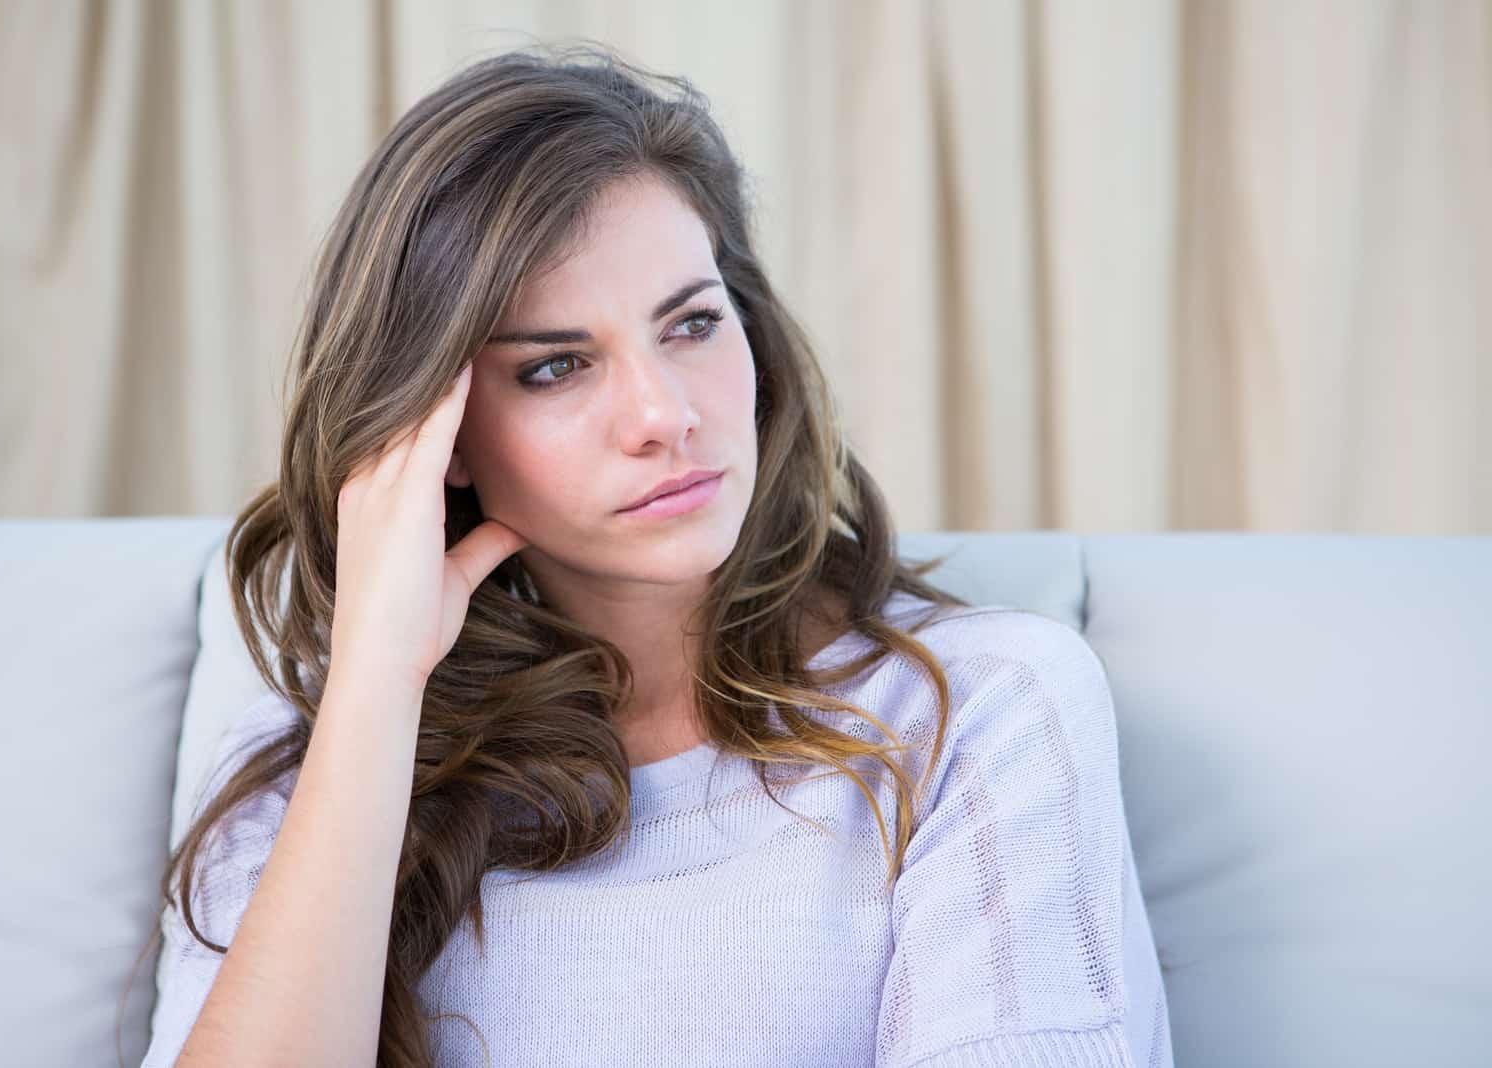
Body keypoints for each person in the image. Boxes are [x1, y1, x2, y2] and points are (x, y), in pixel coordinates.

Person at [138, 42, 1173, 1068]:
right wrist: (375, 681)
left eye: (689, 324)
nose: (663, 415)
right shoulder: (307, 768)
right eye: (555, 366)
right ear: (435, 437)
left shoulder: (977, 710)